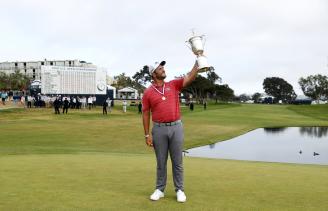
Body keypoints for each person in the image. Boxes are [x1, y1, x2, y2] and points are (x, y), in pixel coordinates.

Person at [142, 60, 199, 203]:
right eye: (160, 68)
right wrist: (147, 134)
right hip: (159, 129)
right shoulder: (148, 92)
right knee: (161, 162)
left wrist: (197, 63)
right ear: (153, 74)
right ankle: (159, 189)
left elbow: (189, 77)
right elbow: (145, 113)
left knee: (177, 161)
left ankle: (179, 189)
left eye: (162, 67)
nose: (163, 69)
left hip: (176, 127)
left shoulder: (173, 85)